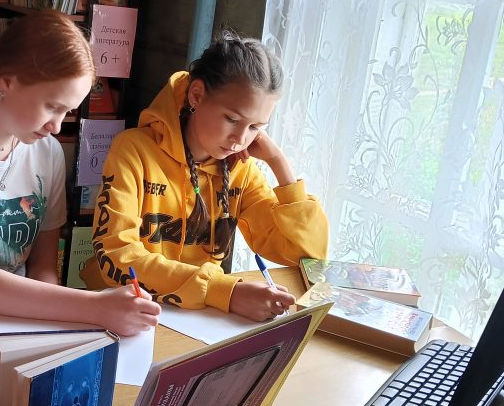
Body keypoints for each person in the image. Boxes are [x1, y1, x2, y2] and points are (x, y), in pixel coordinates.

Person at [0, 10, 159, 337]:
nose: (57, 126)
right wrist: (95, 307)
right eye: (52, 107)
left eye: (67, 111)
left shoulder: (46, 151)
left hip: (20, 321)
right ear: (6, 83)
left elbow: (43, 268)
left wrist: (49, 335)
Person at [82, 32, 329, 322]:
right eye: (232, 119)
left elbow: (308, 258)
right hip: (121, 312)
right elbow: (116, 255)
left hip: (196, 318)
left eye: (255, 127)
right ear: (196, 95)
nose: (240, 139)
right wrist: (223, 292)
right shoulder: (133, 150)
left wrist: (278, 163)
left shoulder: (241, 170)